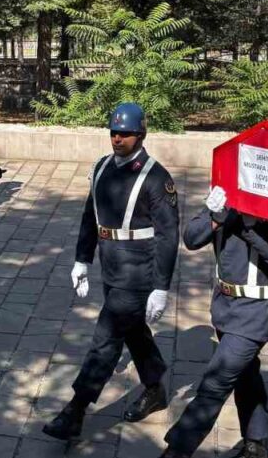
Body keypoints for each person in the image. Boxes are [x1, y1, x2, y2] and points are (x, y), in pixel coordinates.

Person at [120, 184, 268, 458]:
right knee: (245, 374)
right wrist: (216, 217)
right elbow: (191, 238)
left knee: (215, 384)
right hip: (226, 306)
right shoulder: (230, 198)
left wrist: (247, 228)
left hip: (258, 310)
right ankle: (256, 447)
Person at [43, 103, 180, 440]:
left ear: (141, 134)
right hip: (111, 265)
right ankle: (155, 386)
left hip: (138, 272)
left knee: (105, 339)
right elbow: (91, 217)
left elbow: (168, 236)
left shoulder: (156, 178)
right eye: (114, 133)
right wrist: (81, 260)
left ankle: (76, 410)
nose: (118, 139)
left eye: (126, 134)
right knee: (133, 331)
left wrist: (161, 286)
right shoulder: (102, 167)